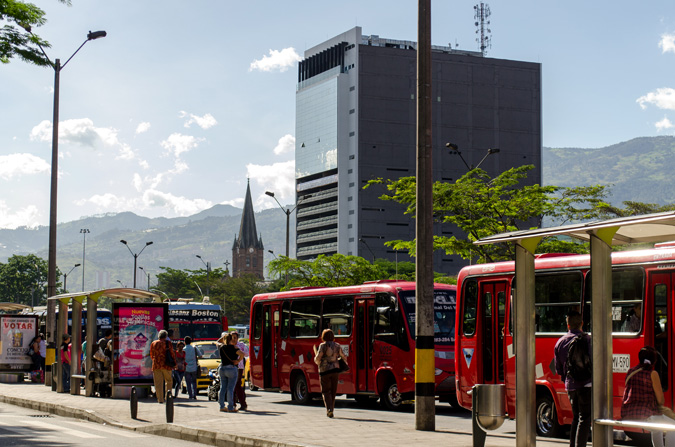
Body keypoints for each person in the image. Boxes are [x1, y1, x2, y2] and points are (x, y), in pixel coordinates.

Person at [622, 346, 675, 447]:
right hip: (646, 416)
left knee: (657, 429)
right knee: (672, 425)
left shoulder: (630, 371)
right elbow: (661, 401)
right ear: (654, 361)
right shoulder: (652, 374)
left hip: (629, 414)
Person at [554, 310, 591, 447]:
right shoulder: (587, 339)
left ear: (568, 325)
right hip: (586, 384)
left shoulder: (560, 342)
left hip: (571, 385)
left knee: (576, 416)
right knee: (585, 417)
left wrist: (567, 379)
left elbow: (558, 369)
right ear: (581, 323)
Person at [314, 328, 347, 418]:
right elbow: (343, 356)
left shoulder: (322, 346)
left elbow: (318, 358)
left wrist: (317, 362)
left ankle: (329, 409)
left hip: (325, 371)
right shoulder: (337, 345)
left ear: (323, 336)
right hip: (335, 370)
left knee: (326, 391)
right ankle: (331, 409)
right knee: (333, 391)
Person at [216, 332, 244, 413]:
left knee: (223, 387)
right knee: (230, 389)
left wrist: (224, 336)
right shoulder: (234, 348)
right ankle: (230, 407)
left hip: (222, 368)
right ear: (231, 339)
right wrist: (238, 361)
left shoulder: (221, 347)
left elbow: (217, 342)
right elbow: (242, 354)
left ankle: (221, 406)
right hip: (231, 368)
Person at [150, 329, 176, 404]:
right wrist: (174, 364)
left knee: (158, 383)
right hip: (166, 365)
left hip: (156, 365)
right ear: (166, 336)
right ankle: (168, 397)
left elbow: (151, 354)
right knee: (168, 381)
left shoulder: (153, 343)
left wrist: (155, 361)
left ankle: (160, 399)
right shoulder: (168, 343)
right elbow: (172, 354)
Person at [231, 331, 249, 411]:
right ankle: (233, 404)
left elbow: (246, 353)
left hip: (239, 367)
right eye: (232, 337)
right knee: (232, 386)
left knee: (237, 385)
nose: (233, 339)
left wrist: (239, 352)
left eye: (235, 337)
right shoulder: (228, 345)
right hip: (230, 367)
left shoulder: (241, 345)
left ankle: (242, 404)